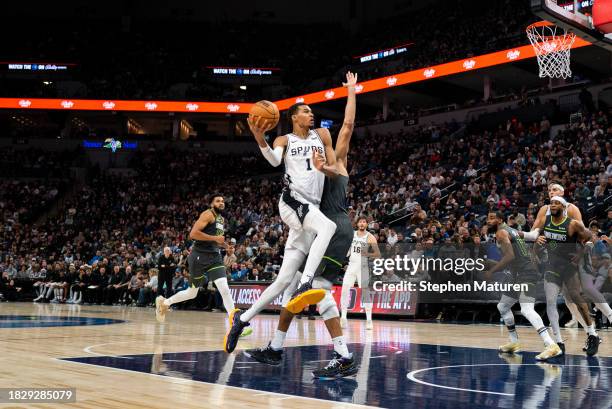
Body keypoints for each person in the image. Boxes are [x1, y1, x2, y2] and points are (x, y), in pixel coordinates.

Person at [243, 71, 362, 378]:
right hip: (318, 230)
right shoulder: (311, 161)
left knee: (317, 291)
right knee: (295, 291)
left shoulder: (339, 163)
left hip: (336, 230)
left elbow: (347, 126)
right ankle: (276, 348)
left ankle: (343, 355)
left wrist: (351, 91)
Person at [223, 76, 344, 353]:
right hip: (292, 202)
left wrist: (323, 168)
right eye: (306, 111)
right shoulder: (283, 138)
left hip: (309, 209)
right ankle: (306, 284)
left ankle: (242, 319)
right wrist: (258, 137)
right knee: (328, 229)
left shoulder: (322, 135)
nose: (311, 114)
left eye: (312, 111)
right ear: (293, 117)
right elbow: (275, 161)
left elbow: (336, 170)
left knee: (280, 282)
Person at [155, 195, 252, 337]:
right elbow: (193, 234)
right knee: (192, 293)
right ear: (212, 204)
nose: (221, 203)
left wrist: (226, 246)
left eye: (223, 201)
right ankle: (165, 303)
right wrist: (215, 239)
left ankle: (235, 326)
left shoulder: (220, 219)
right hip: (199, 256)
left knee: (224, 289)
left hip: (214, 257)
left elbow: (217, 240)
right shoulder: (207, 214)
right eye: (218, 201)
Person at [485, 211, 560, 361]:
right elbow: (532, 236)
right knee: (503, 307)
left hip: (526, 273)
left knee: (526, 309)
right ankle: (514, 342)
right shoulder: (513, 230)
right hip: (518, 275)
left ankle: (551, 345)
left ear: (500, 219)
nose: (488, 221)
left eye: (492, 218)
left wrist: (492, 271)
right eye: (487, 218)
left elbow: (510, 257)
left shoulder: (501, 233)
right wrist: (541, 223)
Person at [536, 196, 600, 356]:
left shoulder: (573, 224)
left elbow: (591, 238)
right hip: (552, 266)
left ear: (564, 207)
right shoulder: (546, 221)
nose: (553, 204)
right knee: (550, 301)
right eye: (551, 202)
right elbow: (537, 237)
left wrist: (580, 255)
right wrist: (537, 243)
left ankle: (592, 334)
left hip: (569, 267)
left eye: (557, 202)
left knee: (576, 299)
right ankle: (558, 342)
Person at [340, 216, 380, 330]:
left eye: (364, 222)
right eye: (360, 222)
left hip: (363, 266)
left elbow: (377, 254)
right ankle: (343, 317)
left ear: (367, 224)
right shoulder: (351, 234)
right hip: (351, 265)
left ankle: (369, 320)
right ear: (357, 224)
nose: (362, 224)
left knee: (365, 293)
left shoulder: (370, 236)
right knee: (344, 290)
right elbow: (345, 248)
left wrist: (367, 254)